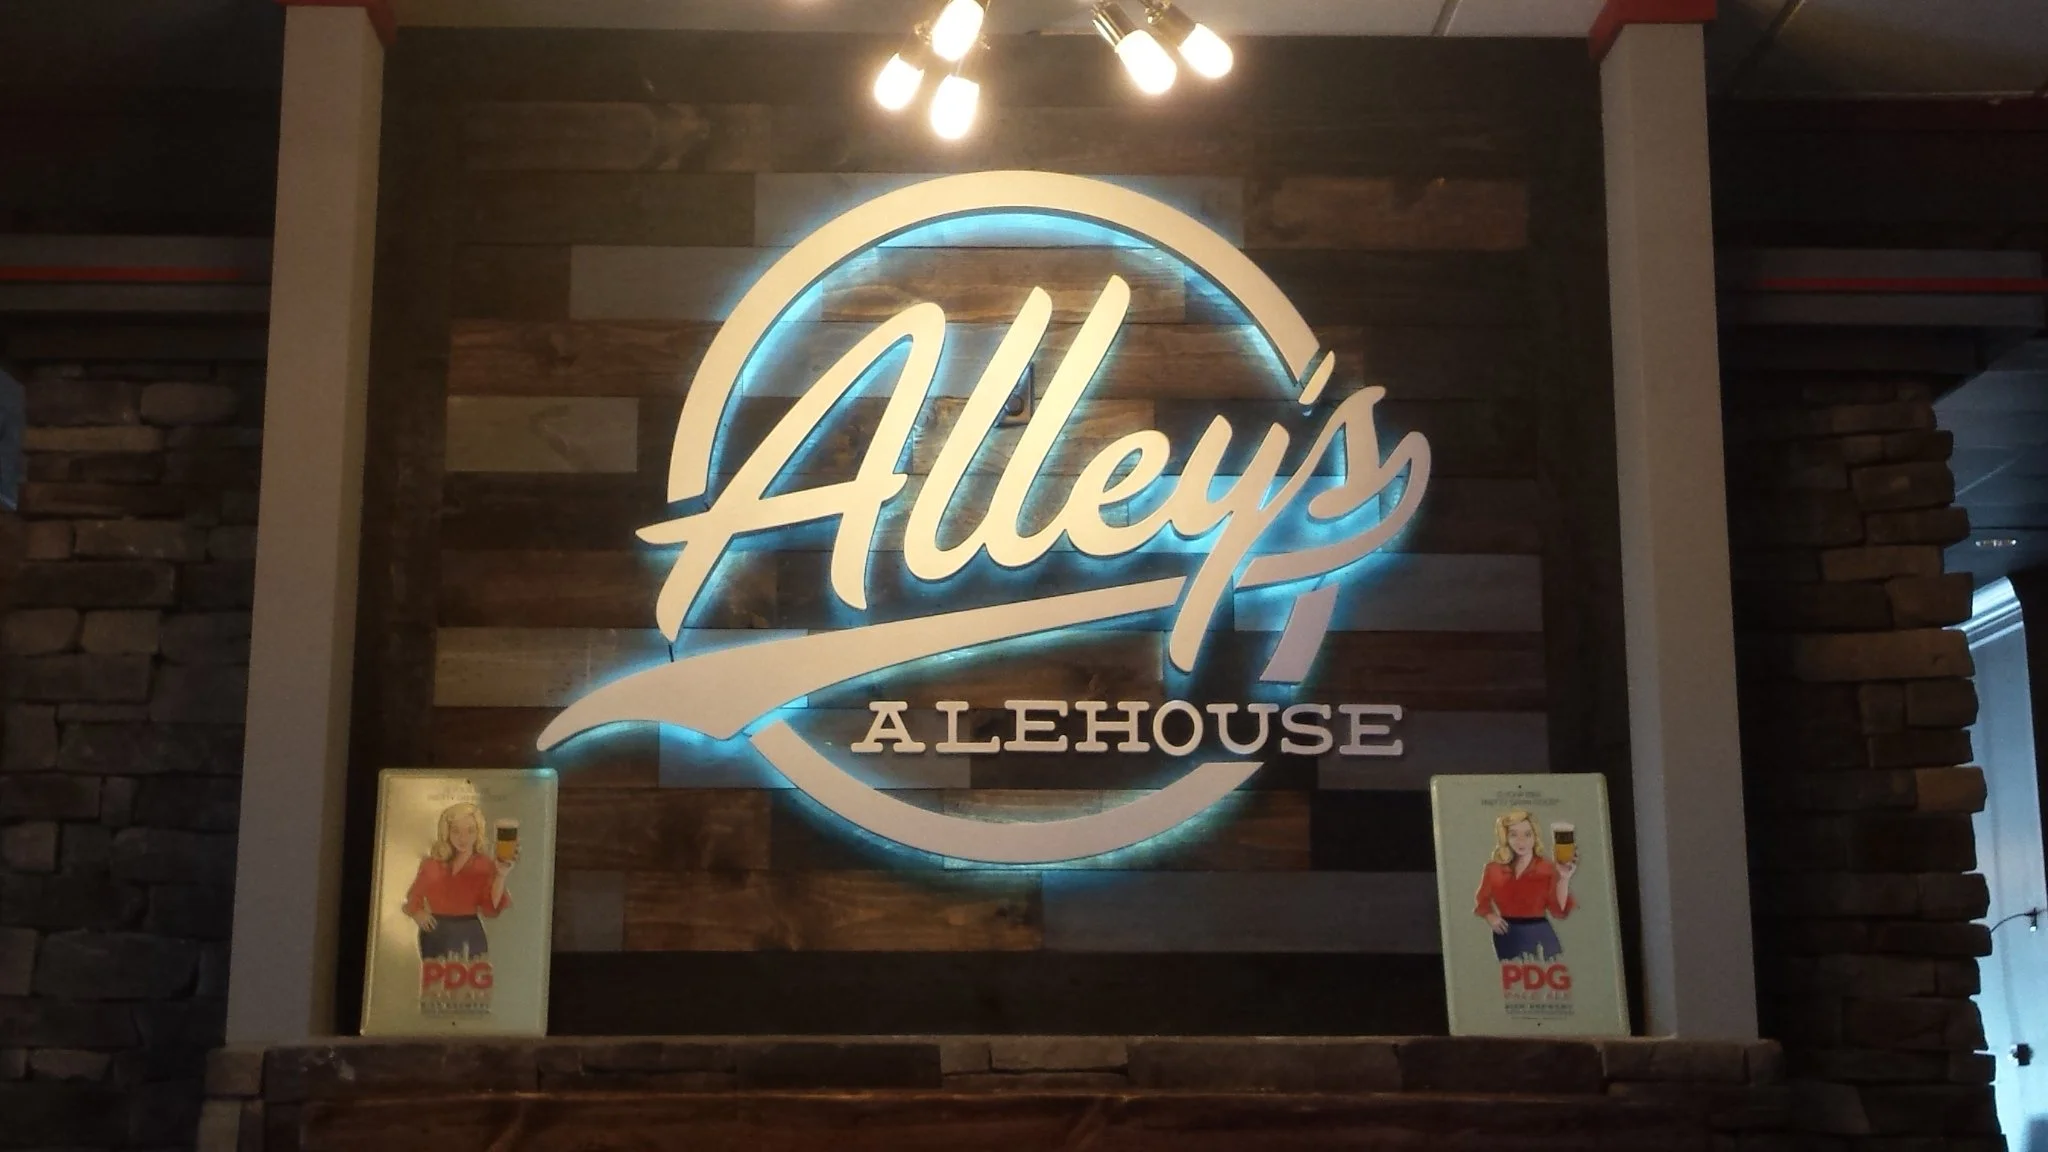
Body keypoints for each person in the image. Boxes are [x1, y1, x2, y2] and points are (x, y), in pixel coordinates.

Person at [403, 801, 514, 961]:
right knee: (435, 983)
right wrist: (417, 913)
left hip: (469, 930)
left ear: (478, 833)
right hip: (435, 932)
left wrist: (501, 876)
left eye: (470, 831)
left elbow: (491, 908)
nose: (463, 838)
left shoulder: (484, 865)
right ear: (446, 833)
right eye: (456, 831)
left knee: (469, 982)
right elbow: (414, 898)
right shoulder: (432, 864)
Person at [1473, 807, 1576, 962]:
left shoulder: (1547, 868)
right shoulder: (1493, 869)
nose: (1521, 841)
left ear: (1535, 837)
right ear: (1505, 837)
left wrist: (1564, 878)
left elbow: (1559, 911)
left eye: (1527, 834)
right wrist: (1490, 916)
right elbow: (1482, 901)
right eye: (1514, 835)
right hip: (1506, 933)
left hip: (1540, 931)